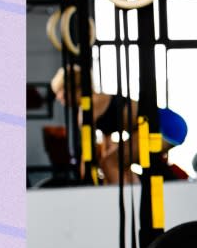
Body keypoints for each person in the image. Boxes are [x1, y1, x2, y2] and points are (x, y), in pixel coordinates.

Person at [50, 65, 189, 183]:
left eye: (59, 92)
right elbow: (107, 147)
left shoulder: (89, 107)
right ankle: (135, 198)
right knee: (118, 162)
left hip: (166, 126)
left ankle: (125, 206)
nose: (58, 97)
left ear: (71, 89)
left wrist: (83, 183)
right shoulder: (95, 103)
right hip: (164, 124)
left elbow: (88, 154)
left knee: (110, 163)